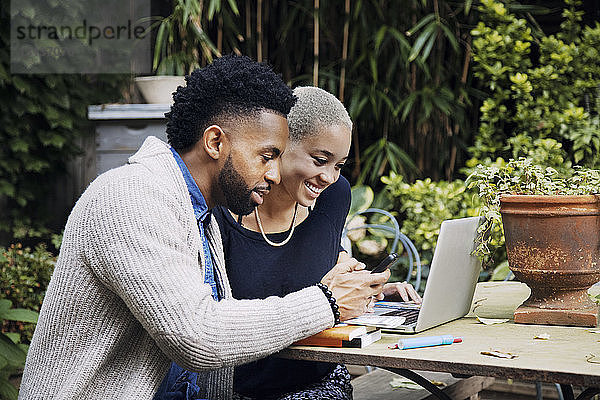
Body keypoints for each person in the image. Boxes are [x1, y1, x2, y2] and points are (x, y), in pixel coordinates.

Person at [18, 56, 390, 400]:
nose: (274, 174)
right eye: (266, 156)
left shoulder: (199, 213)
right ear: (215, 142)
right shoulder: (131, 196)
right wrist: (326, 301)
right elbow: (198, 336)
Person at [207, 86, 418, 399]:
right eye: (320, 160)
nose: (329, 177)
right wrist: (329, 299)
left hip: (321, 382)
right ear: (279, 144)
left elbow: (327, 264)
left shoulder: (334, 196)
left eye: (339, 165)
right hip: (239, 391)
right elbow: (213, 325)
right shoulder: (223, 213)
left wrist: (365, 290)